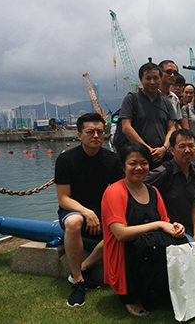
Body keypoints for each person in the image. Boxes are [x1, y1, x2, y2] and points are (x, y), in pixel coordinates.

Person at [101, 142, 185, 316]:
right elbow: (120, 233)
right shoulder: (114, 192)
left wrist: (176, 227)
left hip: (151, 249)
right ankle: (131, 297)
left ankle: (158, 287)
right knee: (146, 245)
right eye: (133, 163)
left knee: (180, 241)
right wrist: (158, 224)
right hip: (127, 254)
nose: (139, 167)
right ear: (123, 166)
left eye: (144, 163)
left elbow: (166, 223)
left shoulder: (153, 191)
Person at [54, 113, 122, 307]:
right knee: (74, 222)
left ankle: (83, 267)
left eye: (100, 132)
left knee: (123, 229)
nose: (96, 136)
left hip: (102, 211)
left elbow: (117, 193)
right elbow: (63, 198)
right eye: (90, 132)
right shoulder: (66, 160)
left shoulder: (112, 159)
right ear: (79, 135)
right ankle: (77, 281)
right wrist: (87, 212)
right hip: (73, 210)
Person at [145, 129, 195, 270]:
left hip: (187, 228)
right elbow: (138, 187)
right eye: (182, 146)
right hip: (168, 229)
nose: (187, 150)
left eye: (191, 146)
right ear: (171, 150)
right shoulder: (163, 172)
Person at [119, 61, 175, 169]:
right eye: (148, 78)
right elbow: (126, 128)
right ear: (141, 80)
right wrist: (147, 149)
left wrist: (164, 148)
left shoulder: (166, 103)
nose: (152, 82)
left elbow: (171, 128)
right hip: (137, 158)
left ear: (161, 79)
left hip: (163, 158)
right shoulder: (131, 99)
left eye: (156, 78)